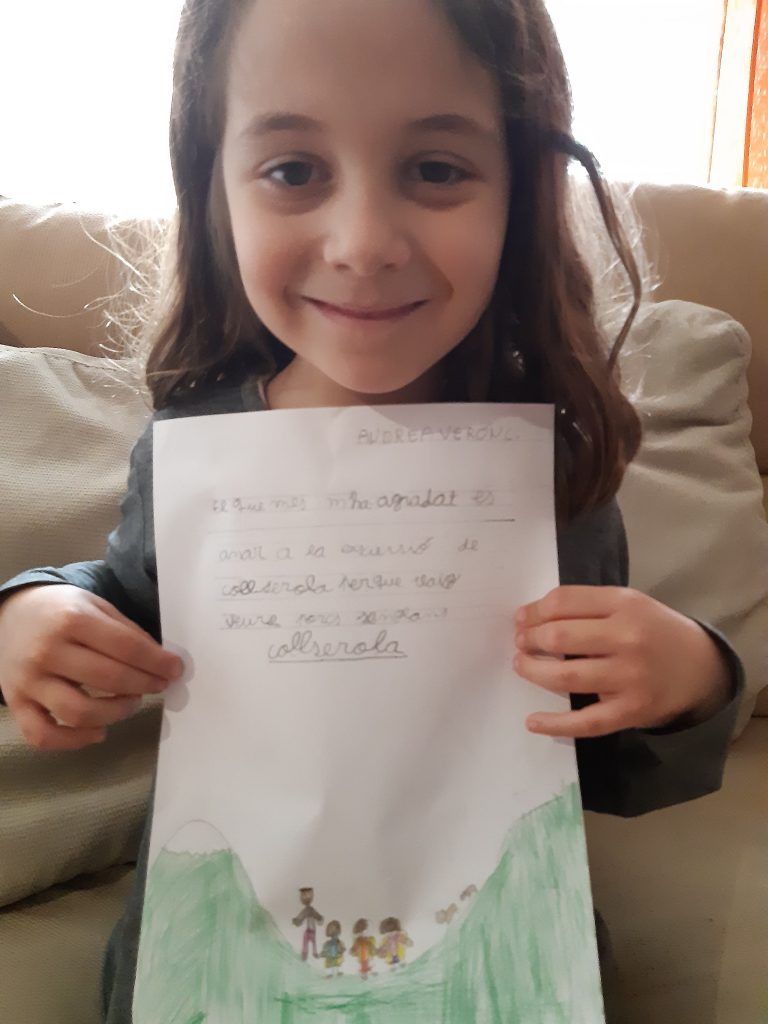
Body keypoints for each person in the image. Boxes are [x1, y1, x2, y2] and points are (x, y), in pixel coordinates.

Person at [0, 0, 743, 1020]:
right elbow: (127, 603)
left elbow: (593, 753)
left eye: (435, 168)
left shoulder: (547, 467)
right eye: (293, 169)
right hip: (220, 965)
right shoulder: (195, 445)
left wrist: (690, 676)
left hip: (495, 967)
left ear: (521, 193)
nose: (362, 243)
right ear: (215, 191)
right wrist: (36, 607)